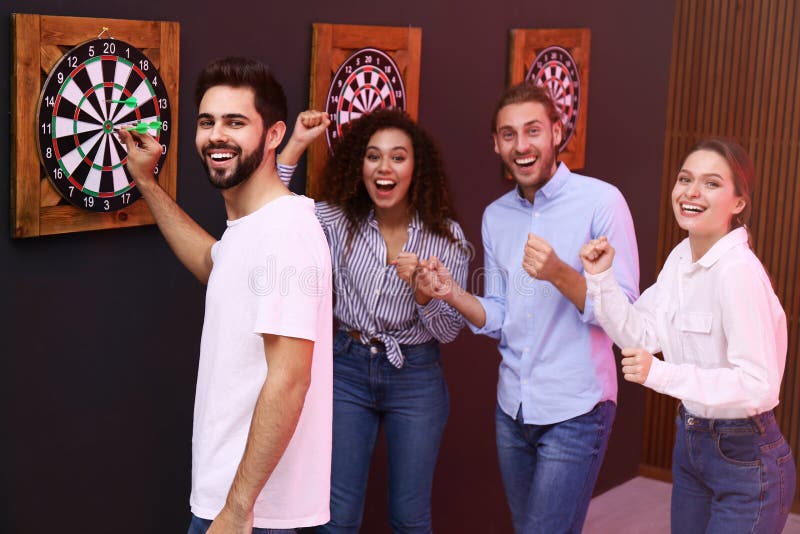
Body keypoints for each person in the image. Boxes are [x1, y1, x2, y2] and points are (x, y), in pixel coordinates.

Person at [118, 57, 333, 534]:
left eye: (236, 122)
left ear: (274, 135)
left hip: (255, 514)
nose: (217, 135)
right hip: (229, 499)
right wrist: (146, 182)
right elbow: (215, 266)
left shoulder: (285, 234)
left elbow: (291, 380)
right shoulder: (251, 228)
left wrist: (237, 511)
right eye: (208, 121)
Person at [417, 80, 641, 533]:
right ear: (495, 144)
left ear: (558, 132)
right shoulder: (496, 216)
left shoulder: (602, 202)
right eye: (508, 134)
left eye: (533, 130)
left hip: (576, 409)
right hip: (513, 409)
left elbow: (626, 320)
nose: (522, 145)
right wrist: (451, 292)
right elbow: (501, 316)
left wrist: (560, 272)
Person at [580, 138, 796, 533]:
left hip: (745, 456)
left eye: (712, 183)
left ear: (738, 202)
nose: (692, 192)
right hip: (692, 440)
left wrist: (661, 374)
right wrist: (601, 279)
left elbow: (758, 386)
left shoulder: (737, 272)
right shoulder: (681, 258)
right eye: (686, 179)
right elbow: (640, 335)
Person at [277, 108, 469, 533]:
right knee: (336, 514)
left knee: (410, 516)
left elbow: (449, 331)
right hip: (346, 368)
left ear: (416, 167)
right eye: (373, 156)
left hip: (416, 376)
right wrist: (295, 144)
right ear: (359, 166)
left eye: (398, 157)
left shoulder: (447, 237)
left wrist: (424, 295)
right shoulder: (335, 221)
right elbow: (272, 208)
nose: (384, 168)